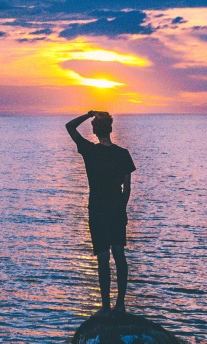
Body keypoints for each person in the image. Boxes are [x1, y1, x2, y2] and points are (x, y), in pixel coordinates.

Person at [66, 110, 136, 317]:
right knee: (119, 255)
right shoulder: (123, 154)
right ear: (111, 129)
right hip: (116, 210)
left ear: (95, 131)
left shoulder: (90, 151)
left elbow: (70, 127)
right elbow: (128, 188)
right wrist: (122, 209)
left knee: (103, 258)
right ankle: (120, 305)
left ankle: (106, 308)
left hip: (97, 210)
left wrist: (88, 114)